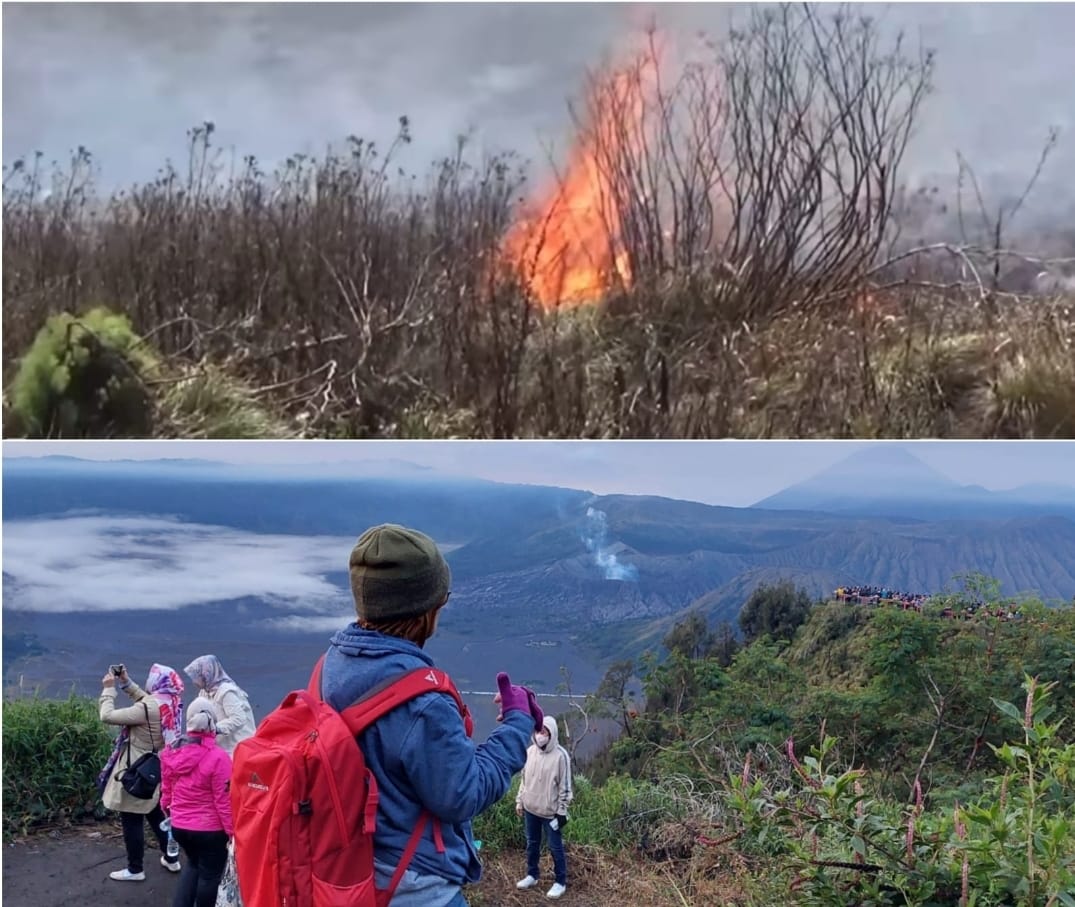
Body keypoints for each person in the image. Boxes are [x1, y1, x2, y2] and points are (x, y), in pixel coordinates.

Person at [319, 523, 544, 907]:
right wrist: (517, 723)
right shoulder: (423, 702)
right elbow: (463, 792)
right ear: (425, 610)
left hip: (345, 870)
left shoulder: (331, 665)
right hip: (411, 888)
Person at [98, 663, 185, 881]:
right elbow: (147, 700)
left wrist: (109, 689)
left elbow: (107, 715)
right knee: (156, 813)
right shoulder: (172, 701)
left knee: (131, 816)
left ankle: (135, 869)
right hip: (158, 765)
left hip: (136, 768)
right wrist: (126, 682)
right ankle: (172, 858)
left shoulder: (147, 709)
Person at [161, 698, 234, 907]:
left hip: (180, 826)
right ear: (212, 724)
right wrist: (232, 833)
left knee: (192, 865)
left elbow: (166, 792)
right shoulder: (219, 758)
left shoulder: (171, 752)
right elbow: (223, 800)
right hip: (210, 830)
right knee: (209, 876)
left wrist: (169, 813)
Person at [514, 716, 574, 900]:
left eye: (544, 732)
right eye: (538, 731)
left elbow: (565, 788)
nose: (540, 736)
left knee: (555, 847)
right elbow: (524, 780)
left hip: (550, 813)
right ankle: (532, 875)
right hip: (531, 809)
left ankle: (560, 882)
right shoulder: (530, 752)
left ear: (552, 734)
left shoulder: (560, 756)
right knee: (532, 844)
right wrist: (519, 801)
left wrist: (562, 812)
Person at [182, 655, 256, 756]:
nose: (194, 681)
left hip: (237, 747)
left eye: (196, 677)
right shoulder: (204, 692)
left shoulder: (227, 692)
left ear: (206, 675)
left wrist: (216, 729)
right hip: (220, 746)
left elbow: (239, 718)